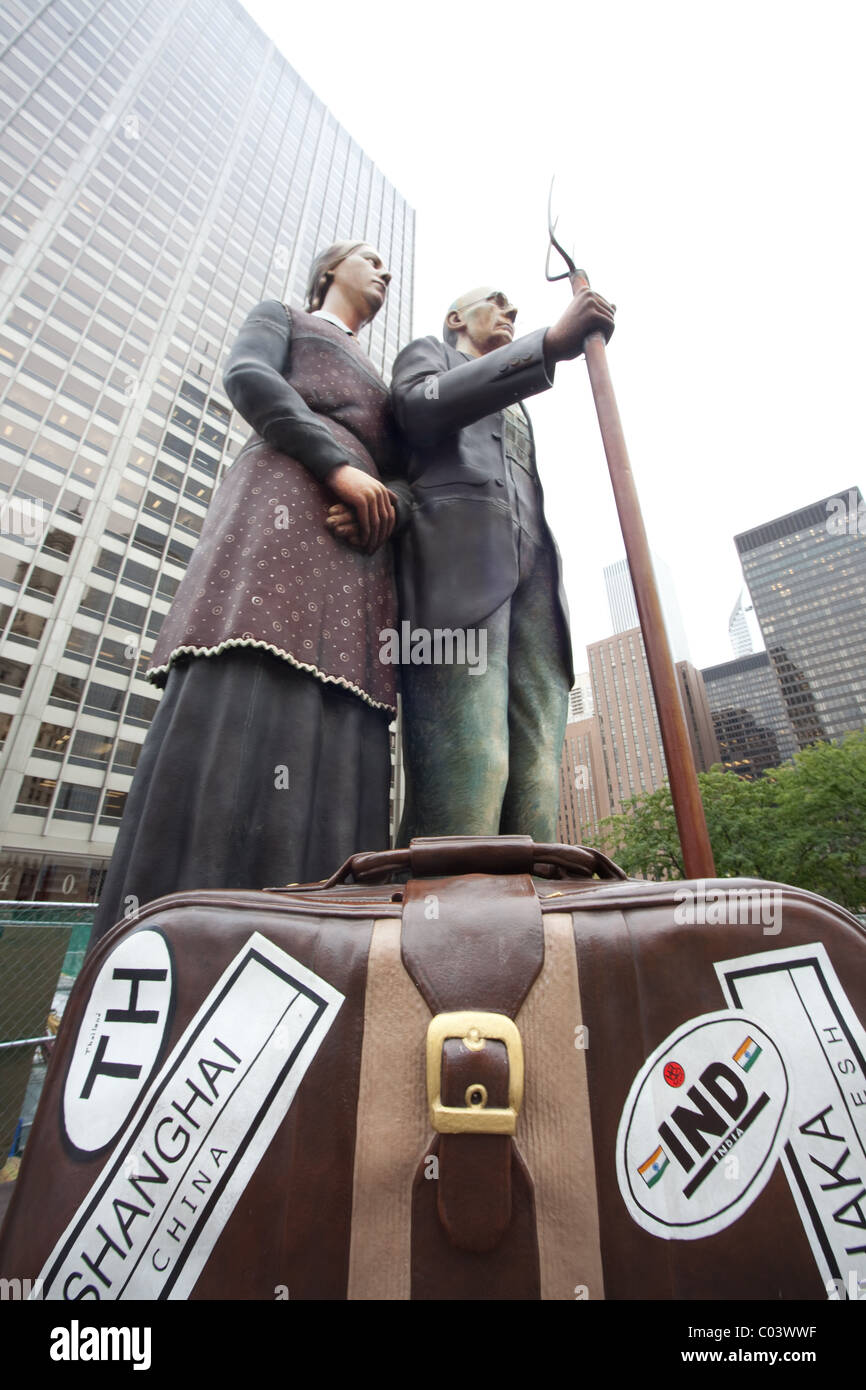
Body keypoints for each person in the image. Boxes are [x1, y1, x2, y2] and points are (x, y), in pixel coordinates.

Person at [89, 241, 403, 947]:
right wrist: (336, 467)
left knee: (348, 714)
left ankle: (329, 943)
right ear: (330, 272)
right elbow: (249, 376)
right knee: (249, 675)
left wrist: (385, 506)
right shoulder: (284, 315)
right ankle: (190, 937)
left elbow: (411, 477)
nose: (384, 273)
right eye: (371, 260)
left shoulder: (386, 386)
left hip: (358, 555)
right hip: (279, 504)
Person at [355, 280, 614, 843]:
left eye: (515, 309)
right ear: (455, 318)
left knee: (538, 761)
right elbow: (417, 414)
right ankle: (445, 908)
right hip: (456, 577)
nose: (510, 311)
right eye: (496, 301)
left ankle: (536, 900)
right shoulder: (429, 354)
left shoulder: (518, 400)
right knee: (469, 760)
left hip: (537, 575)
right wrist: (547, 345)